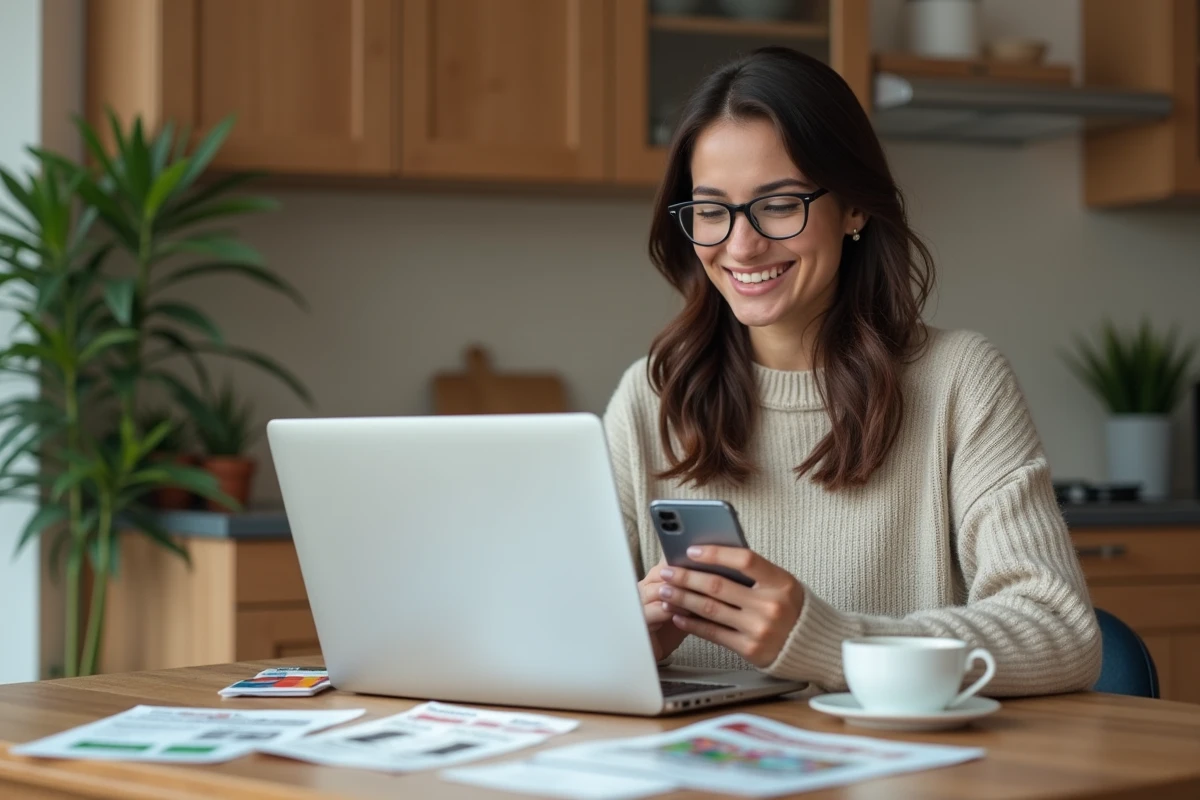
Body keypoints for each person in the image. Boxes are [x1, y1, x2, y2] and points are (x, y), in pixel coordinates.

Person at [602, 46, 1101, 696]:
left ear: (855, 208)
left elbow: (1061, 634)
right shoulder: (649, 397)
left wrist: (831, 643)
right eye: (711, 209)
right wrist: (621, 642)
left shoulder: (958, 382)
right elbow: (553, 635)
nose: (741, 244)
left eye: (779, 204)